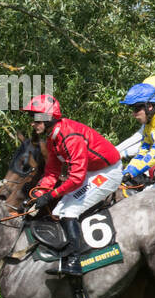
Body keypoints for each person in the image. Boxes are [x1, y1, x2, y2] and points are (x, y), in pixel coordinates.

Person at [21, 94, 123, 276]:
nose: (32, 123)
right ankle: (68, 255)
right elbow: (52, 172)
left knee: (69, 211)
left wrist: (50, 195)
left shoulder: (69, 137)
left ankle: (76, 262)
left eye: (36, 119)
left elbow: (75, 178)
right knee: (57, 211)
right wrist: (39, 195)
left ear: (49, 118)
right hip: (91, 171)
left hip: (108, 172)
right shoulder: (53, 138)